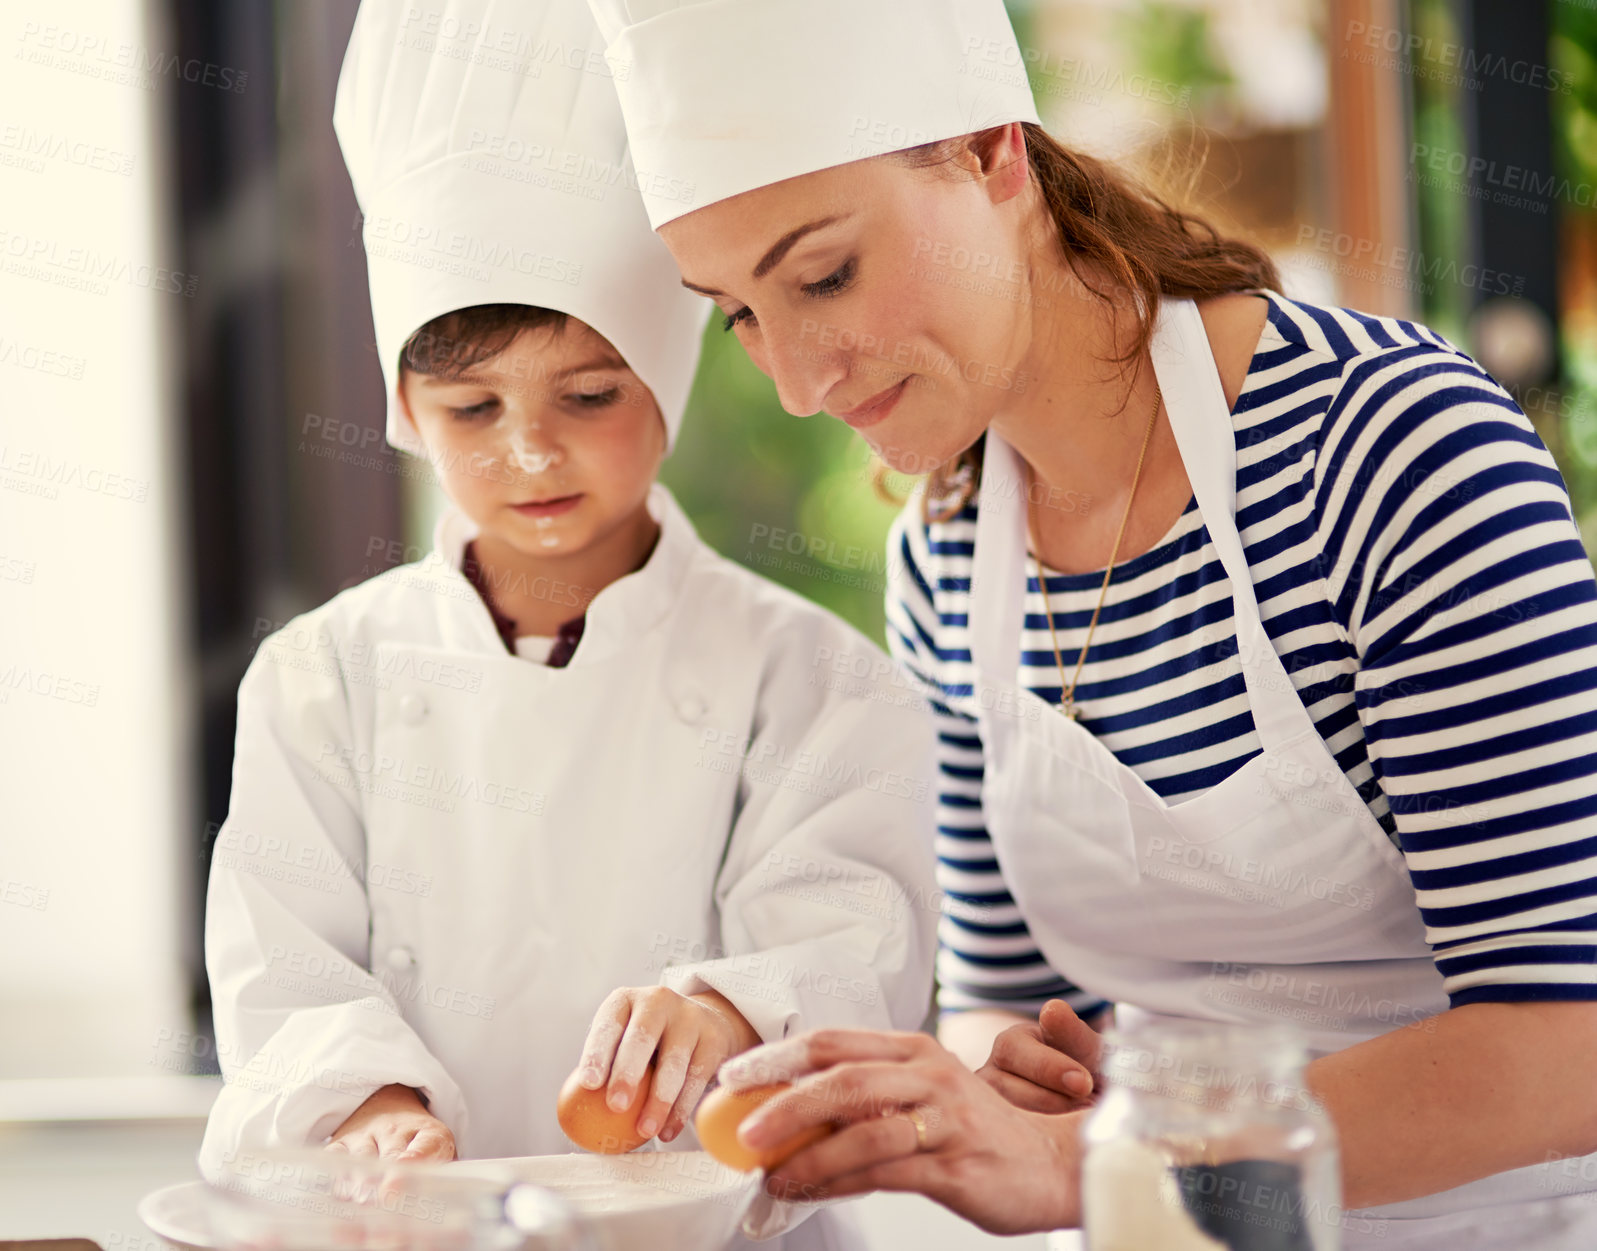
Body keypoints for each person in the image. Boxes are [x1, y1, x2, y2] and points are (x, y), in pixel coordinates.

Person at [583, 0, 1597, 1245]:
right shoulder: (950, 559)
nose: (796, 384)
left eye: (824, 274)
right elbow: (996, 1007)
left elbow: (1567, 1046)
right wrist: (993, 1092)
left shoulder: (1391, 457)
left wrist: (1084, 1155)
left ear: (991, 154)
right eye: (739, 313)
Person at [197, 3, 938, 1247]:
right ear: (404, 410)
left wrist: (725, 1013)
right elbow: (282, 961)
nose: (529, 451)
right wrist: (370, 1105)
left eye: (588, 395)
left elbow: (855, 944)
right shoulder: (320, 679)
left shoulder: (810, 678)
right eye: (471, 409)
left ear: (673, 373)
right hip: (413, 1225)